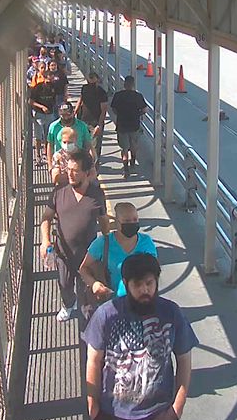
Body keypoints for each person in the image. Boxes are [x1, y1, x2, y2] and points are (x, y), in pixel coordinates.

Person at [83, 254, 198, 420]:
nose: (145, 290)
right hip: (113, 417)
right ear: (125, 283)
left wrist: (176, 410)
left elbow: (184, 359)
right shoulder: (105, 315)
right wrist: (94, 409)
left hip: (158, 415)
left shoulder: (172, 313)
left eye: (149, 283)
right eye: (137, 285)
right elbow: (93, 361)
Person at [40, 149, 110, 321]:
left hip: (88, 255)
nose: (70, 174)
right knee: (64, 284)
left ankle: (89, 322)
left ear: (86, 173)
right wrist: (45, 240)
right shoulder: (59, 192)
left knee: (87, 290)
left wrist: (108, 241)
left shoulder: (96, 194)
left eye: (75, 171)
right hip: (63, 253)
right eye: (68, 170)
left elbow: (103, 220)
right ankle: (68, 304)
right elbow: (46, 217)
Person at [79, 202, 157, 299]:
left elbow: (154, 272)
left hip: (141, 301)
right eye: (127, 221)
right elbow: (83, 268)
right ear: (117, 222)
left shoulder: (147, 242)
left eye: (135, 219)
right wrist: (94, 284)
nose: (132, 223)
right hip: (113, 302)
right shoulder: (103, 243)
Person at [110, 76, 148, 179]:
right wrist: (138, 114)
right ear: (133, 85)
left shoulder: (118, 95)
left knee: (124, 148)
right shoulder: (138, 96)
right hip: (134, 125)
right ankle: (133, 162)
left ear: (124, 84)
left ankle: (126, 170)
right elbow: (144, 109)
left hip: (122, 125)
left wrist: (119, 114)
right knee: (134, 145)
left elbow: (113, 108)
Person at [74, 72, 109, 167]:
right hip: (83, 121)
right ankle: (85, 167)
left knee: (95, 147)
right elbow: (80, 100)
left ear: (97, 79)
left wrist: (99, 125)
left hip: (95, 123)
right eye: (89, 79)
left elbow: (104, 110)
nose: (91, 82)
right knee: (82, 145)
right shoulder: (84, 88)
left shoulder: (101, 93)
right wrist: (75, 112)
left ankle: (94, 168)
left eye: (92, 79)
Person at [47, 101, 95, 168]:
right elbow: (50, 145)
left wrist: (91, 164)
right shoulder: (53, 126)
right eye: (63, 115)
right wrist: (50, 165)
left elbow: (88, 145)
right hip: (60, 163)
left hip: (78, 163)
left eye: (68, 114)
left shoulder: (82, 126)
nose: (66, 118)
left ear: (73, 113)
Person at [29, 71, 58, 166]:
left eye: (52, 77)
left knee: (48, 135)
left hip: (50, 114)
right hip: (39, 115)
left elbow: (55, 99)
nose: (51, 79)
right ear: (45, 77)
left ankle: (47, 154)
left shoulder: (53, 87)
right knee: (38, 136)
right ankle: (38, 156)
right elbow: (31, 101)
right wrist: (41, 107)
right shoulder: (38, 88)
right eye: (49, 77)